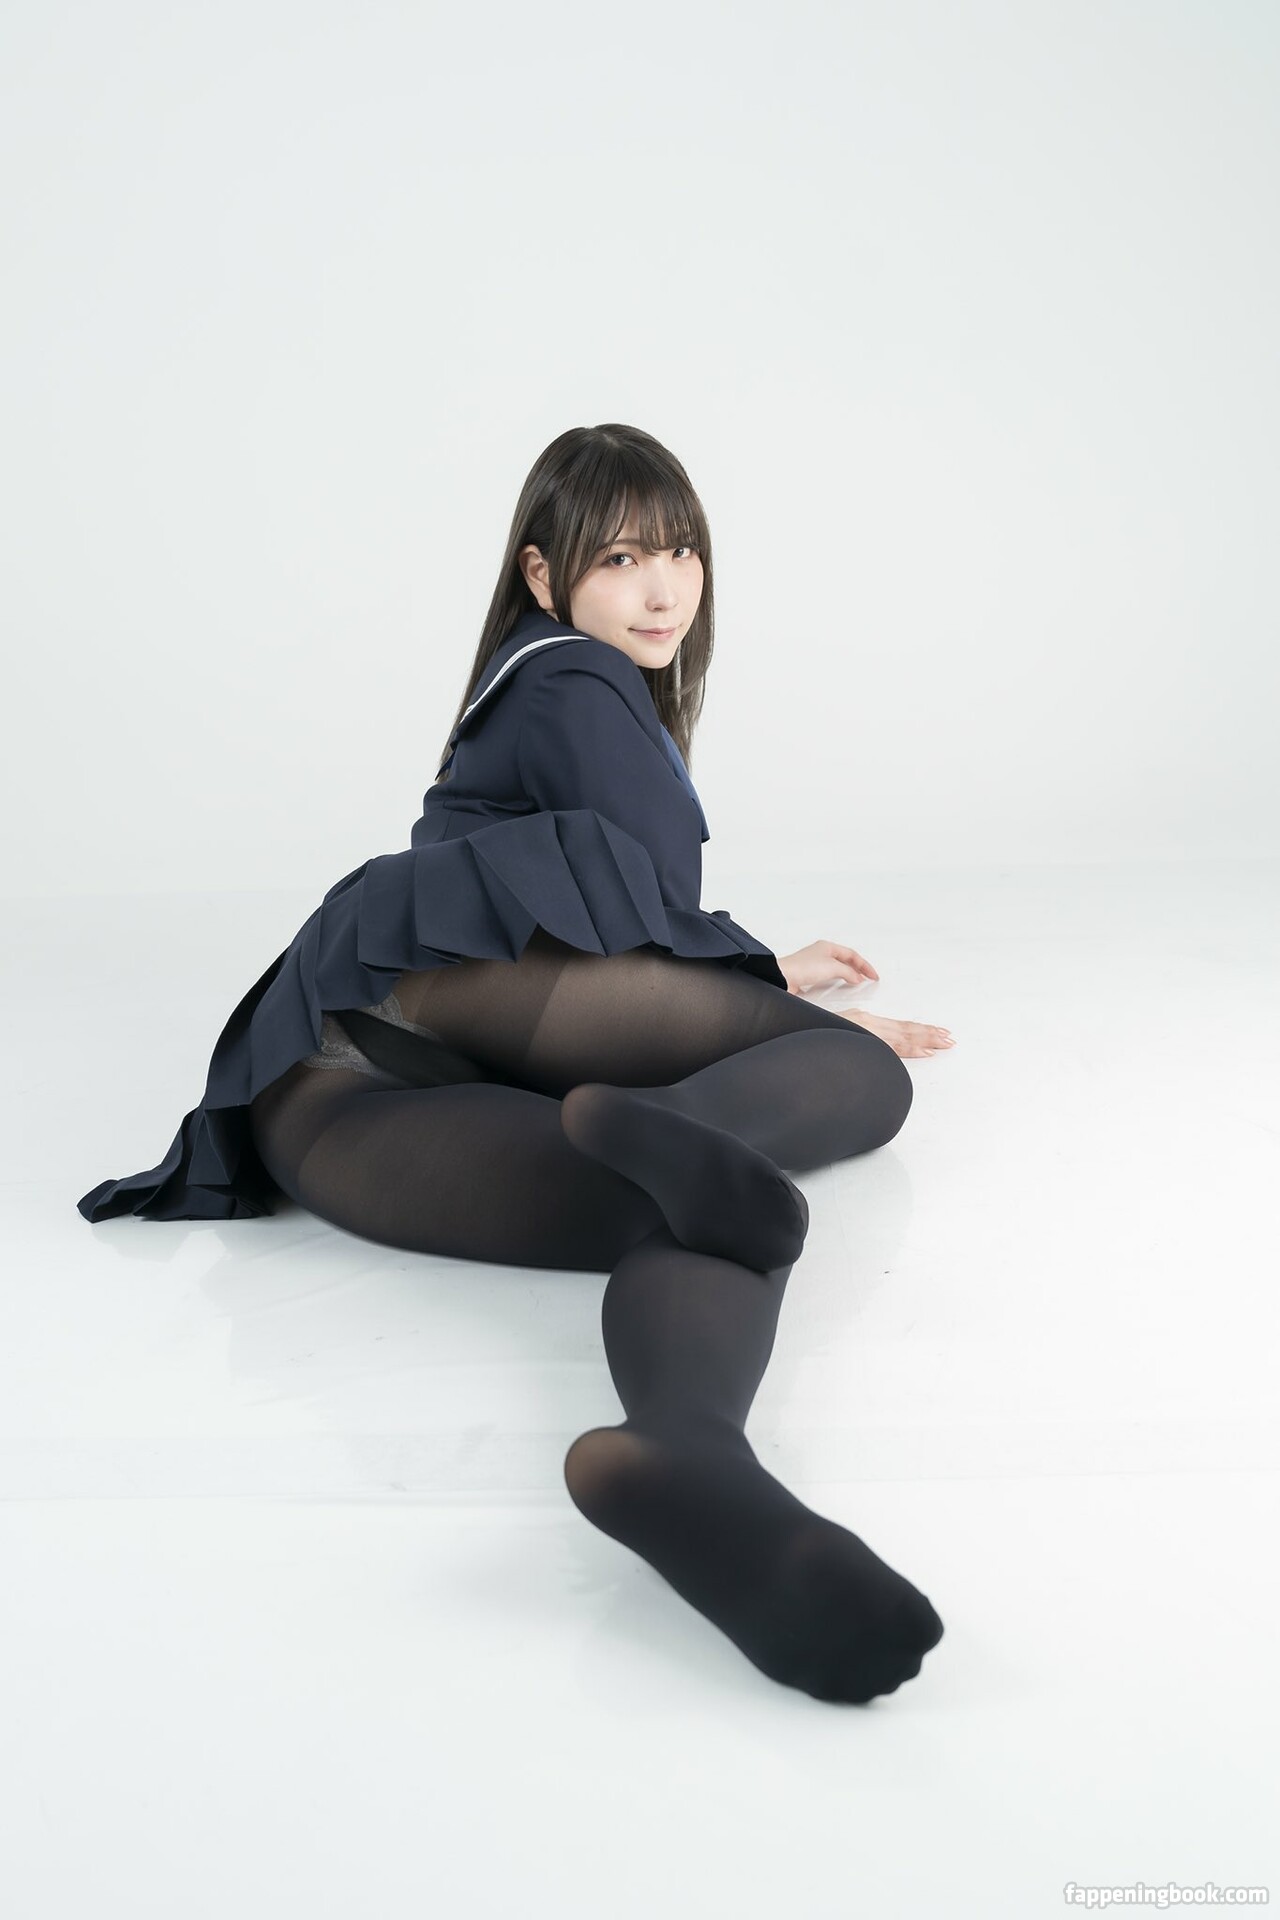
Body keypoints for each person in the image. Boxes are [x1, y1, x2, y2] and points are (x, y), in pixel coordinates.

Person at [77, 422, 956, 1704]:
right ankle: (705, 1140)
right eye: (620, 560)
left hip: (326, 1098)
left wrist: (756, 975)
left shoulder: (540, 678)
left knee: (681, 1208)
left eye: (681, 553)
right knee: (861, 1077)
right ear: (543, 575)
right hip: (441, 987)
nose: (661, 589)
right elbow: (636, 912)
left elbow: (611, 915)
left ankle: (691, 1456)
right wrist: (770, 1004)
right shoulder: (578, 680)